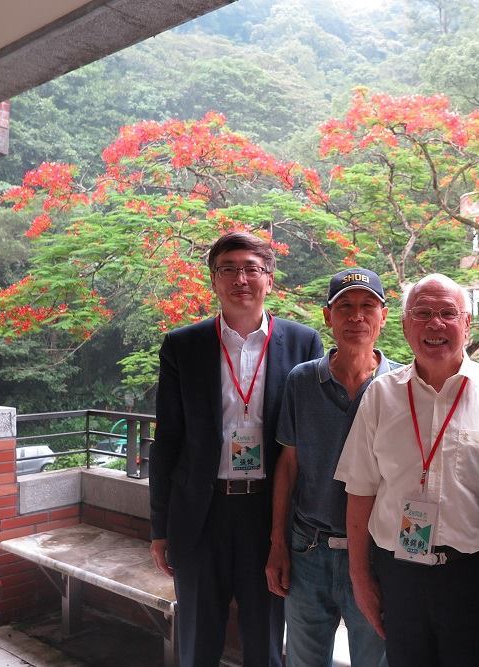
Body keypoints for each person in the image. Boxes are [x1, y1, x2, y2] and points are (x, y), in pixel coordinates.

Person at [149, 231, 323, 667]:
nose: (240, 278)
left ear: (269, 279)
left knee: (266, 637)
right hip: (200, 514)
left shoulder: (304, 344)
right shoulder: (182, 346)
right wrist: (159, 528)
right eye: (228, 268)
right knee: (196, 637)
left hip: (269, 514)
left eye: (251, 268)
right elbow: (167, 439)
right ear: (213, 279)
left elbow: (308, 441)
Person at [334, 274, 479, 667]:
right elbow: (360, 490)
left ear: (467, 324)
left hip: (477, 579)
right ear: (404, 325)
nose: (435, 324)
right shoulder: (381, 396)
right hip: (400, 577)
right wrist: (361, 580)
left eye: (448, 313)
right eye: (422, 313)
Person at [265, 268, 395, 667]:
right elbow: (288, 466)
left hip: (376, 557)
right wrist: (278, 544)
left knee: (375, 660)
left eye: (366, 306)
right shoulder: (301, 381)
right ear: (328, 317)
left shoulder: (401, 385)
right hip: (309, 550)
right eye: (345, 307)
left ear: (383, 316)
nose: (356, 317)